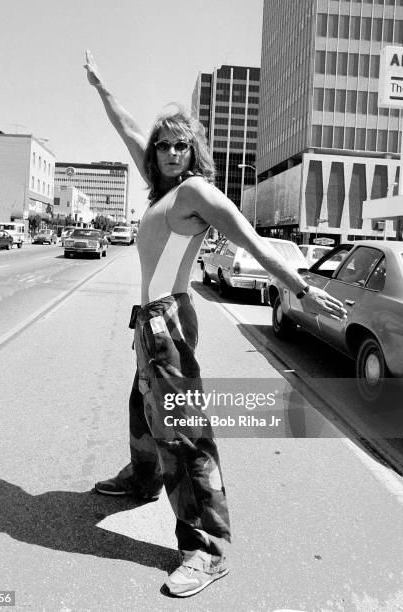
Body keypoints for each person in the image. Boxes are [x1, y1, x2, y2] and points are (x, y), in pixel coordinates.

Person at [83, 50, 347, 598]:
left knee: (181, 428)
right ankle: (143, 479)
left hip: (169, 326)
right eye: (164, 144)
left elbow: (251, 239)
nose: (172, 151)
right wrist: (101, 85)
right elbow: (127, 125)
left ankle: (205, 549)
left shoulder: (196, 192)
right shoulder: (159, 190)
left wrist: (300, 286)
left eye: (182, 144)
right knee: (142, 405)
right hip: (147, 325)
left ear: (193, 150)